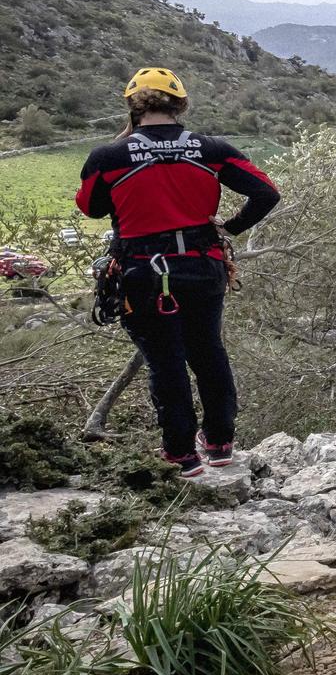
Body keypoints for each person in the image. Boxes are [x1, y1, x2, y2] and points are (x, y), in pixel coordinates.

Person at [75, 68, 279, 477]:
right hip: (204, 266)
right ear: (181, 105)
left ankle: (181, 454)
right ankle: (220, 443)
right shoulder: (212, 149)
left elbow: (91, 208)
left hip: (143, 271)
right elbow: (265, 193)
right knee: (208, 352)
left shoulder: (108, 157)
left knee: (165, 361)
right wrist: (231, 227)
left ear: (134, 106)